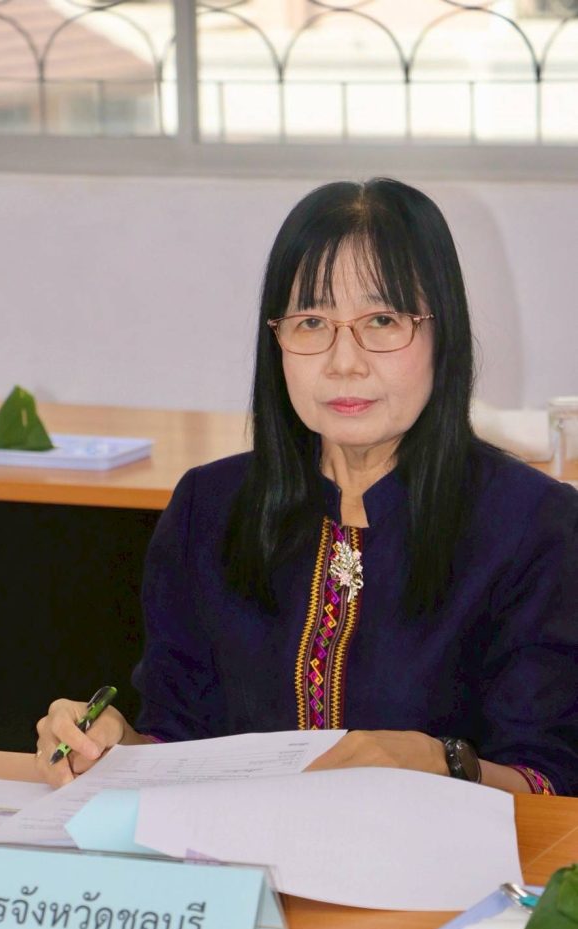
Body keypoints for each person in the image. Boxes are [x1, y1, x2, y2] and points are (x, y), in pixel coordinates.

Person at [36, 178, 578, 796]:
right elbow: (177, 737)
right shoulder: (208, 509)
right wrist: (110, 748)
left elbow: (552, 780)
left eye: (382, 320)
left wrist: (444, 762)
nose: (344, 362)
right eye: (312, 322)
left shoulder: (533, 525)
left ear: (441, 333)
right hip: (236, 852)